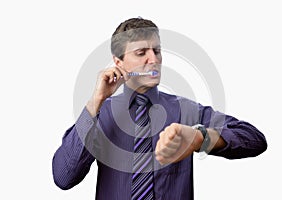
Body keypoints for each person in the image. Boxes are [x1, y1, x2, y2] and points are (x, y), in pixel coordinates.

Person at [52, 17, 267, 199]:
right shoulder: (101, 115)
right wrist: (95, 101)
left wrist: (200, 138)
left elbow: (255, 139)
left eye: (157, 51)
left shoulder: (185, 110)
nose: (153, 59)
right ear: (118, 62)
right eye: (141, 52)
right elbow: (63, 177)